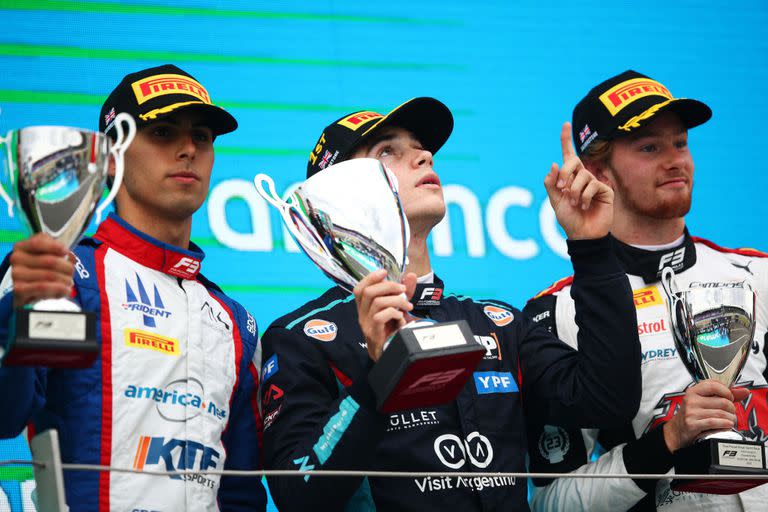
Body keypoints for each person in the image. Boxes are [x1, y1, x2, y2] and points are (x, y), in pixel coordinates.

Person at [259, 97, 642, 511]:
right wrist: (379, 375)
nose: (424, 156)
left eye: (420, 147)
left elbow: (608, 401)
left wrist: (592, 248)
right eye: (388, 152)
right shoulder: (302, 337)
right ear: (335, 193)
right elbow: (298, 494)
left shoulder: (498, 323)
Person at [0, 64, 266, 511]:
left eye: (202, 136)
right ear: (112, 155)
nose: (188, 149)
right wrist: (14, 317)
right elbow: (5, 417)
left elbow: (240, 491)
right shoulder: (62, 273)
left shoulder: (235, 321)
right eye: (163, 132)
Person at [524, 70, 768, 511]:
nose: (675, 160)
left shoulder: (759, 275)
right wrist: (665, 443)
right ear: (598, 170)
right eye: (650, 147)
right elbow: (550, 501)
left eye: (680, 143)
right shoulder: (557, 311)